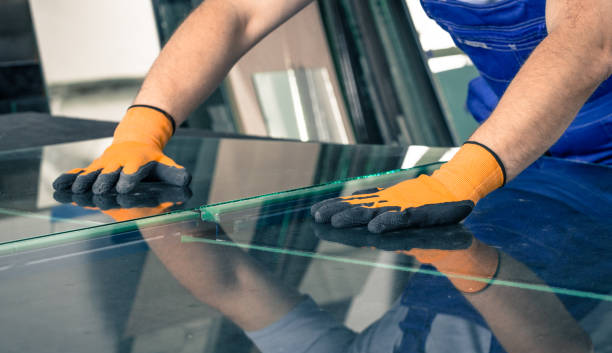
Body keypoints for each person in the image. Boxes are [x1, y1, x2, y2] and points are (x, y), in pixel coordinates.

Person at [53, 0, 612, 233]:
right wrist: (140, 131)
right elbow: (237, 11)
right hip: (536, 160)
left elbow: (590, 38)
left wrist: (464, 177)